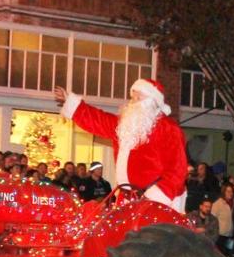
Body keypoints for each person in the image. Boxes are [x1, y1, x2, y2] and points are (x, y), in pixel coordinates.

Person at [53, 79, 188, 211]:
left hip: (156, 203)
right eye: (132, 97)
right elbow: (98, 120)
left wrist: (153, 198)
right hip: (127, 199)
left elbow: (177, 171)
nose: (132, 102)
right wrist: (73, 104)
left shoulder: (169, 129)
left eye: (138, 97)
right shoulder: (124, 125)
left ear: (152, 101)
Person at [211, 183, 234, 256]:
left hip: (231, 235)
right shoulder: (218, 204)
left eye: (231, 191)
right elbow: (213, 218)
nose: (230, 193)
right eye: (228, 191)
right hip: (221, 235)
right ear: (224, 192)